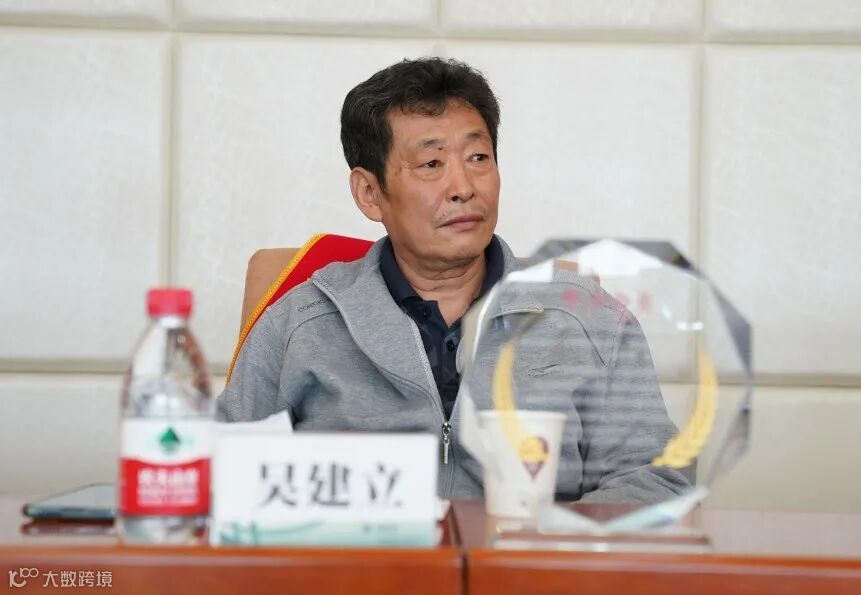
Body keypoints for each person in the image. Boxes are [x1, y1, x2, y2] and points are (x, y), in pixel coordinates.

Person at [216, 57, 690, 502]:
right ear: (370, 192)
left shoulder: (590, 321)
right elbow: (223, 471)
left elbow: (656, 478)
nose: (464, 187)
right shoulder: (300, 323)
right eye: (432, 164)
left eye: (479, 157)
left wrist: (550, 540)